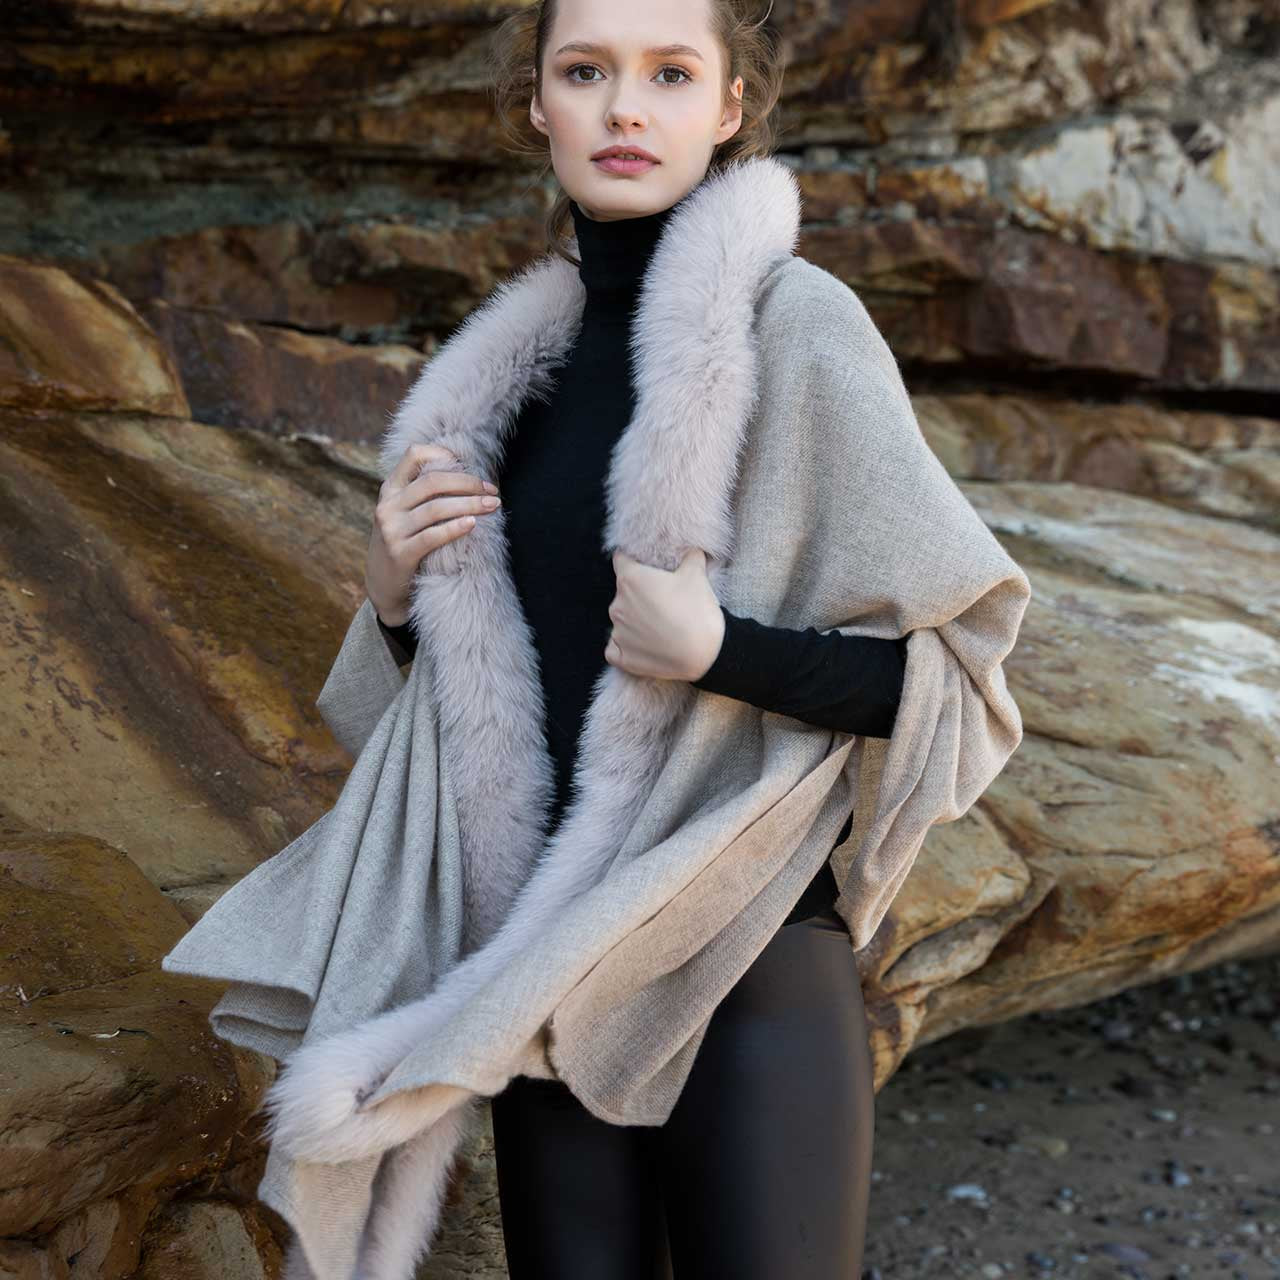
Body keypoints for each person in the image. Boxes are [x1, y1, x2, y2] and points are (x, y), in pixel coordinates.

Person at [362, 1, 893, 1274]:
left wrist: (719, 649)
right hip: (548, 956)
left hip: (745, 958)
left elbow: (940, 679)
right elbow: (483, 719)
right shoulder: (498, 386)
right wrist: (393, 601)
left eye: (668, 74)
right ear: (536, 103)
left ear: (727, 109)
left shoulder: (796, 328)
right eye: (585, 72)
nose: (622, 107)